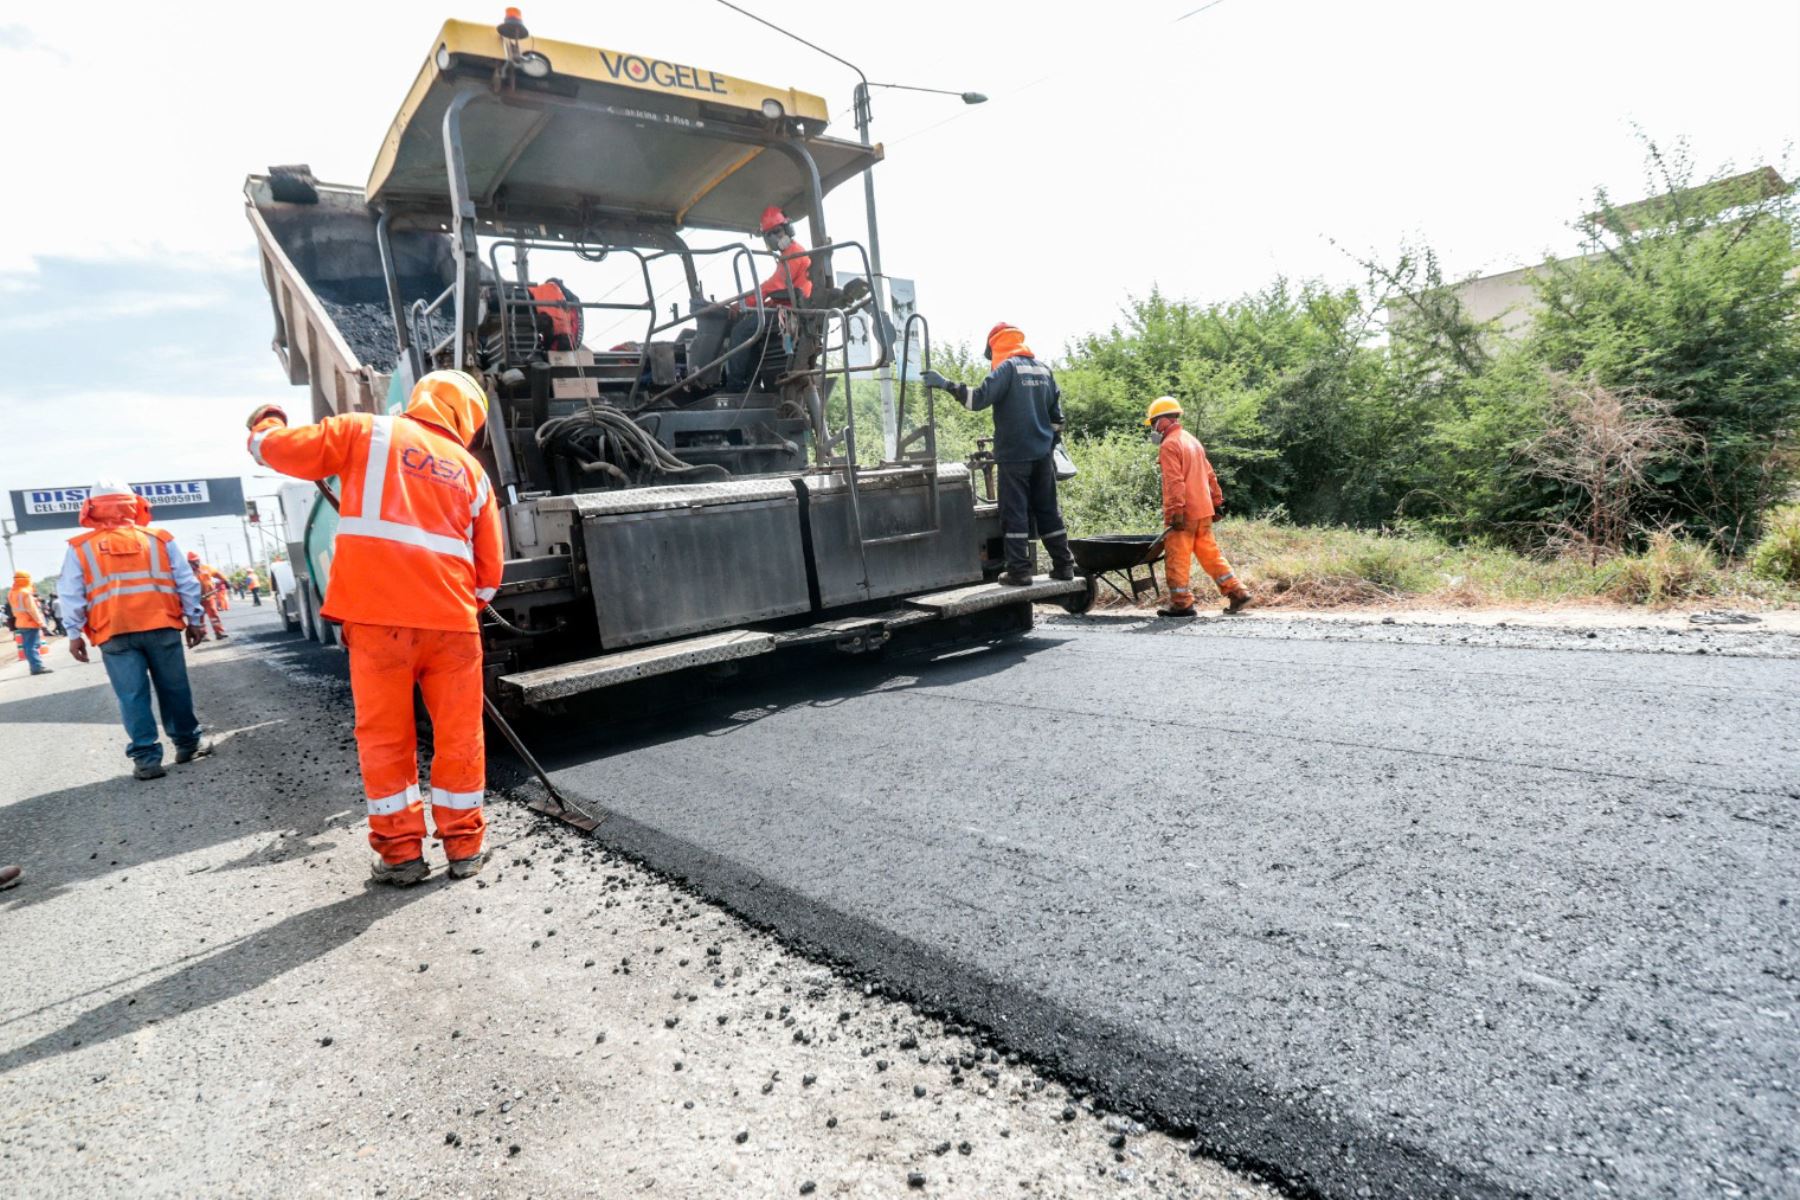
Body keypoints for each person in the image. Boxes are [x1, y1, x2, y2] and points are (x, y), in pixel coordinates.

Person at [247, 369, 504, 885]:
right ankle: (465, 847)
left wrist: (266, 424)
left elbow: (281, 451)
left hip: (378, 623)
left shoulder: (368, 432)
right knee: (460, 737)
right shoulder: (472, 472)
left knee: (386, 739)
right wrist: (459, 611)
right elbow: (489, 570)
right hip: (453, 625)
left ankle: (401, 855)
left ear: (422, 397)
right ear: (470, 418)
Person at [57, 481, 213, 779]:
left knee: (131, 695)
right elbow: (186, 581)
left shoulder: (80, 548)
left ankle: (146, 759)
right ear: (135, 504)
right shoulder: (160, 539)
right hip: (162, 626)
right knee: (174, 688)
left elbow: (71, 594)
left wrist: (74, 634)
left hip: (114, 631)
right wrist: (194, 620)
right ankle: (188, 744)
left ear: (91, 509)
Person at [922, 323, 1076, 586]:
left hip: (1015, 455)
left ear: (996, 347)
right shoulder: (1044, 370)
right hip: (1043, 456)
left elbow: (977, 400)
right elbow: (1057, 419)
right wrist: (1048, 445)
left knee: (1014, 512)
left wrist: (946, 384)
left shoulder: (1008, 368)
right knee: (1048, 510)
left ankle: (1019, 571)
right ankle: (1064, 566)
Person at [1143, 396, 1253, 617]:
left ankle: (1181, 603)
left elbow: (1174, 482)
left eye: (1153, 422)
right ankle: (1238, 592)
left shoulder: (1169, 444)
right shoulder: (1192, 440)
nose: (1153, 428)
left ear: (1163, 420)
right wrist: (1217, 503)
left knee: (1177, 558)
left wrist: (1175, 512)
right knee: (1210, 554)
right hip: (1203, 511)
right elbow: (1210, 474)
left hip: (1185, 513)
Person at [723, 205, 813, 393]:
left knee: (740, 331)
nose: (774, 238)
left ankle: (735, 387)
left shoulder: (794, 254)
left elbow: (773, 286)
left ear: (788, 229)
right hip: (788, 308)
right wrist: (760, 305)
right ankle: (754, 384)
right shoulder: (788, 255)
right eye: (769, 234)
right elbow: (778, 291)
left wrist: (743, 303)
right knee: (752, 330)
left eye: (777, 231)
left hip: (789, 313)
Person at [7, 571, 52, 674]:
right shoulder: (25, 593)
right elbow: (32, 610)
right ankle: (37, 667)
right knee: (32, 646)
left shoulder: (11, 593)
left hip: (20, 622)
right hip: (30, 622)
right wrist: (41, 623)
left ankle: (34, 666)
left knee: (28, 646)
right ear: (26, 580)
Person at [188, 552, 229, 640]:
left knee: (214, 614)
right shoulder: (187, 572)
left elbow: (217, 573)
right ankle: (203, 635)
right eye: (192, 561)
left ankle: (219, 632)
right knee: (200, 618)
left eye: (196, 560)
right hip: (195, 599)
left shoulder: (206, 568)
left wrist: (225, 580)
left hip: (209, 597)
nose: (195, 563)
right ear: (189, 562)